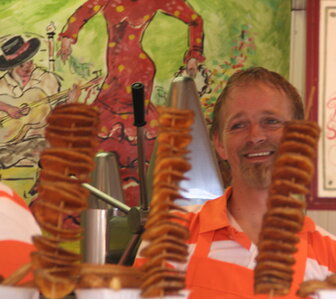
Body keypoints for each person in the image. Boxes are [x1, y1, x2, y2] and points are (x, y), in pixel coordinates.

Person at [135, 67, 336, 299]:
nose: (255, 136)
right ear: (219, 143)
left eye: (271, 122)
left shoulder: (335, 260)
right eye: (239, 125)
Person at [57, 0, 205, 207]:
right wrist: (68, 38)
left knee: (132, 125)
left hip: (139, 71)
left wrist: (193, 56)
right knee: (105, 123)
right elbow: (83, 12)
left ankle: (137, 194)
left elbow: (194, 20)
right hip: (116, 74)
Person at [0, 35, 61, 169]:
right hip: (8, 140)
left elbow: (56, 113)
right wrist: (7, 108)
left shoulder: (47, 79)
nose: (28, 67)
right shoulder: (2, 84)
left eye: (30, 61)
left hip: (40, 140)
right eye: (22, 64)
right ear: (12, 66)